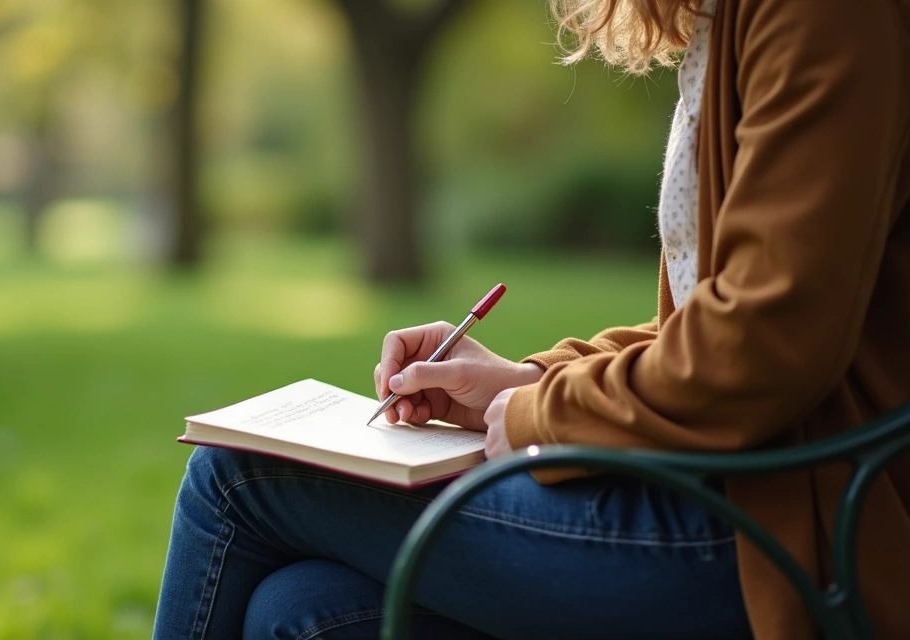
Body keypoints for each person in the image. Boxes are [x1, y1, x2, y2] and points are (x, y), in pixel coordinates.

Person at [152, 0, 910, 637]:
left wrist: (543, 415)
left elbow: (767, 340)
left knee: (237, 473)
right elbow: (718, 321)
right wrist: (526, 379)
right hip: (731, 490)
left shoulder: (819, 13)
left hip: (788, 531)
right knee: (298, 612)